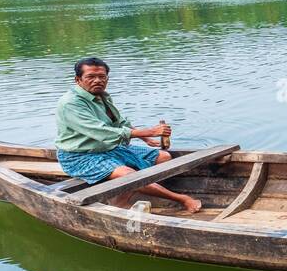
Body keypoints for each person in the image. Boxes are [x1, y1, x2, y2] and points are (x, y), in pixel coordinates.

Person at [55, 57, 201, 213]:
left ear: (107, 78)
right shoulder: (70, 103)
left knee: (164, 157)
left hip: (110, 149)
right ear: (78, 79)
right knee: (130, 176)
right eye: (91, 77)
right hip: (80, 156)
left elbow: (119, 121)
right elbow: (102, 132)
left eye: (102, 77)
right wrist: (149, 131)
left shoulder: (102, 95)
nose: (97, 81)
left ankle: (119, 202)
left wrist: (144, 137)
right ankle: (182, 199)